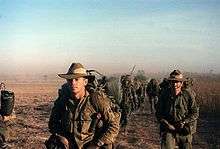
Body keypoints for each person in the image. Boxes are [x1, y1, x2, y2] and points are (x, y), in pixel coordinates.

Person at [47, 63, 120, 149]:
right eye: (70, 80)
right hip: (69, 144)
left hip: (92, 143)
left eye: (77, 79)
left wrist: (98, 143)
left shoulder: (96, 99)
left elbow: (113, 124)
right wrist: (61, 137)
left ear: (85, 82)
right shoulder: (63, 100)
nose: (73, 83)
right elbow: (53, 123)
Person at [156, 70, 199, 149]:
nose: (175, 84)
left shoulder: (188, 95)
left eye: (177, 82)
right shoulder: (164, 94)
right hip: (168, 128)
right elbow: (158, 113)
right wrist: (166, 124)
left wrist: (184, 122)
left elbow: (195, 113)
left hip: (184, 128)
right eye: (172, 82)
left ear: (181, 83)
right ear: (170, 83)